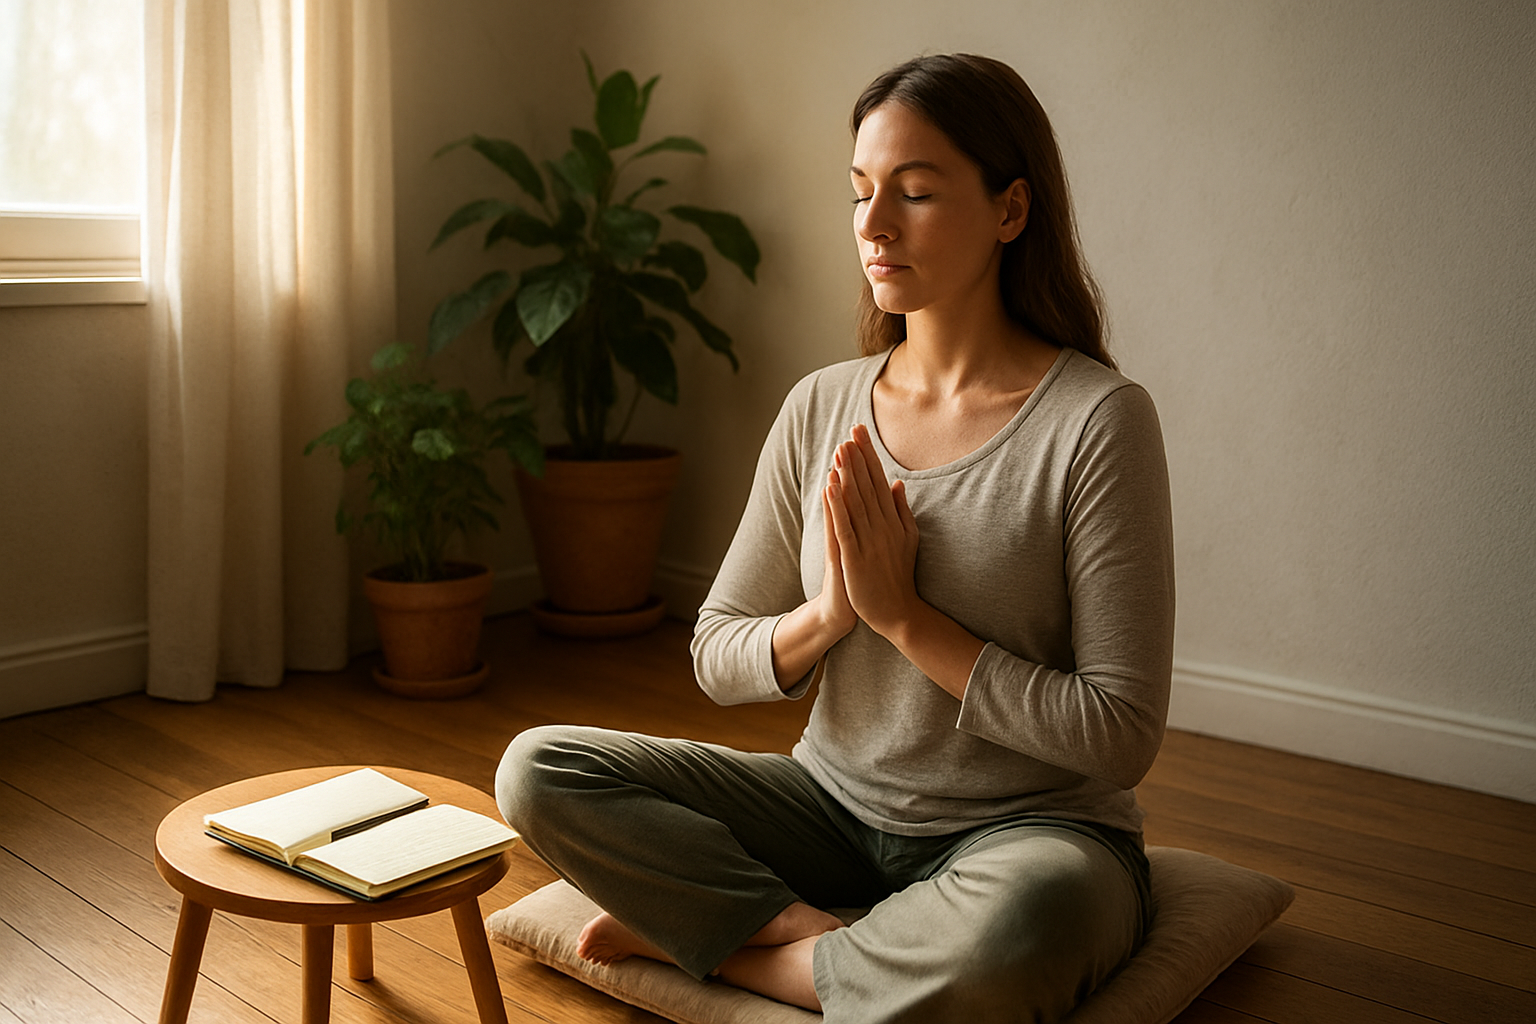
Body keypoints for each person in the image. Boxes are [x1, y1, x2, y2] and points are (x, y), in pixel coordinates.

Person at [496, 53, 1175, 1023]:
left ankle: (750, 953)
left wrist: (906, 622)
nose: (874, 225)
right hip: (830, 806)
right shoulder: (823, 405)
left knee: (1029, 927)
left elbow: (1120, 736)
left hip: (1031, 831)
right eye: (860, 193)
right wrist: (826, 619)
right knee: (538, 768)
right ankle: (790, 928)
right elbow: (717, 649)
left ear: (1011, 210)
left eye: (917, 192)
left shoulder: (1097, 420)